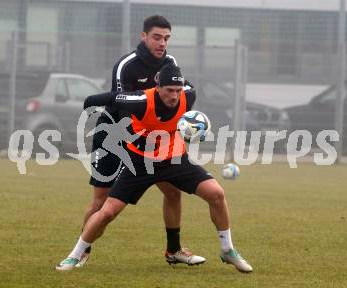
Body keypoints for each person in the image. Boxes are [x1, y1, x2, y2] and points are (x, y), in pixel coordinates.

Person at [56, 64, 253, 273]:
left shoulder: (189, 95)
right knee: (107, 212)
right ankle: (75, 255)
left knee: (216, 194)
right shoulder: (140, 100)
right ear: (158, 87)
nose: (175, 96)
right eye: (169, 90)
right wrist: (92, 108)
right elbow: (101, 100)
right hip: (141, 163)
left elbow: (188, 90)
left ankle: (227, 250)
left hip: (174, 159)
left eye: (178, 90)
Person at [80, 15, 204, 267]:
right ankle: (82, 251)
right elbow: (121, 105)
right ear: (144, 36)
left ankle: (174, 250)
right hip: (113, 133)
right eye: (157, 37)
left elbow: (179, 96)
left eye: (166, 38)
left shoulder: (170, 63)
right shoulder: (127, 65)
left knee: (173, 191)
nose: (162, 43)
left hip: (149, 137)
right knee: (101, 199)